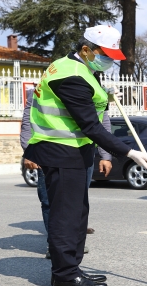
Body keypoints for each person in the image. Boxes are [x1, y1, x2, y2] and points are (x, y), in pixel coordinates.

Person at [24, 25, 147, 286]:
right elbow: (90, 126)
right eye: (104, 54)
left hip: (73, 150)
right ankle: (64, 275)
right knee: (66, 215)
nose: (109, 61)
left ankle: (72, 267)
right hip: (61, 149)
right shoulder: (71, 75)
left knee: (78, 213)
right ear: (86, 49)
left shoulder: (79, 68)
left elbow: (86, 109)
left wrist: (103, 98)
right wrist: (129, 152)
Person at [21, 86, 114, 258]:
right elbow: (29, 120)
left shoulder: (93, 88)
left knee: (78, 200)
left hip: (82, 153)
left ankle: (75, 243)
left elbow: (102, 122)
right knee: (50, 200)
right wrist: (28, 151)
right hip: (49, 153)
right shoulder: (42, 89)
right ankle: (55, 246)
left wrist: (105, 155)